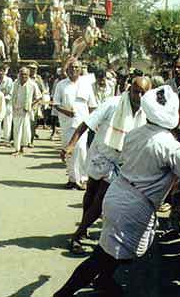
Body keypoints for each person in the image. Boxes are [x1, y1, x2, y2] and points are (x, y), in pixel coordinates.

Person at [53, 85, 180, 297]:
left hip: (118, 194)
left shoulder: (136, 133)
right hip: (133, 206)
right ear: (177, 114)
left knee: (113, 251)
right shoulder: (170, 147)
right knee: (104, 256)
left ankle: (104, 280)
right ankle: (63, 294)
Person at [61, 76, 151, 253]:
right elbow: (86, 124)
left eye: (143, 93)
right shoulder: (113, 104)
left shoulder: (147, 112)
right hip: (100, 154)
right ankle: (84, 228)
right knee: (91, 192)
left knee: (101, 199)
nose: (138, 96)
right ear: (129, 90)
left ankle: (77, 235)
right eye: (136, 91)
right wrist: (70, 146)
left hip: (120, 162)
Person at [53, 60, 97, 190]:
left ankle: (83, 179)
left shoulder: (86, 84)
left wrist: (92, 122)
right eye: (71, 67)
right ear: (67, 70)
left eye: (76, 67)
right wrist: (65, 111)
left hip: (82, 124)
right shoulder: (61, 85)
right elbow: (55, 104)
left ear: (80, 70)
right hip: (66, 123)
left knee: (82, 150)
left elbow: (92, 106)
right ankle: (72, 179)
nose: (73, 69)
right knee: (69, 151)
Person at [12, 67, 41, 156]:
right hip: (16, 110)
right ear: (19, 74)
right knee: (17, 130)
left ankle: (21, 148)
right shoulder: (15, 83)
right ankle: (17, 148)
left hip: (26, 111)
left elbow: (39, 97)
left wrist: (30, 105)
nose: (23, 76)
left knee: (25, 131)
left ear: (28, 75)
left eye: (25, 74)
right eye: (22, 74)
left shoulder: (32, 84)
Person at [0, 64, 14, 144]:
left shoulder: (9, 80)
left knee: (7, 122)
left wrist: (3, 98)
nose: (0, 72)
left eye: (2, 71)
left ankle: (6, 140)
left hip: (7, 104)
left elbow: (11, 94)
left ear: (5, 71)